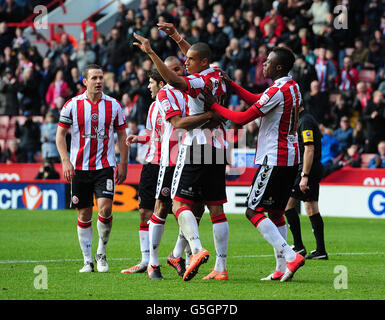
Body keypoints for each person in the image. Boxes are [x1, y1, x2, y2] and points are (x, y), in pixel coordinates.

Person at [133, 26, 230, 281]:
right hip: (176, 156)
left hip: (194, 151)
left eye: (184, 64)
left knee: (190, 207)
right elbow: (174, 124)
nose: (183, 67)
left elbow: (192, 66)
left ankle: (186, 253)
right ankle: (155, 262)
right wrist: (177, 37)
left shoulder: (192, 82)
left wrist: (155, 50)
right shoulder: (175, 89)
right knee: (168, 206)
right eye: (177, 66)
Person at [202, 46, 305, 282]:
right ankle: (281, 268)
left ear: (278, 67)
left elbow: (242, 118)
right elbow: (259, 100)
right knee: (276, 213)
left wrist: (214, 105)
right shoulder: (292, 87)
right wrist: (233, 86)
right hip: (290, 158)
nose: (263, 64)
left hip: (274, 158)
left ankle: (291, 255)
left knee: (253, 210)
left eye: (268, 62)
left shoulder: (278, 90)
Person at [56, 64, 128, 273]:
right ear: (84, 81)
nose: (98, 81)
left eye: (101, 78)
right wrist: (65, 160)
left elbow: (122, 136)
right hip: (79, 168)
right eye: (94, 78)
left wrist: (123, 163)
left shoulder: (114, 105)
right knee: (84, 213)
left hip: (105, 166)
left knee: (105, 208)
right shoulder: (72, 105)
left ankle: (101, 253)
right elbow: (60, 135)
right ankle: (87, 260)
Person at [284, 104, 328, 261]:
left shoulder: (305, 122)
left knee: (287, 205)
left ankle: (298, 246)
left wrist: (304, 175)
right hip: (311, 169)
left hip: (307, 170)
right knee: (311, 207)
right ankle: (320, 250)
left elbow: (309, 149)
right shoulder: (304, 120)